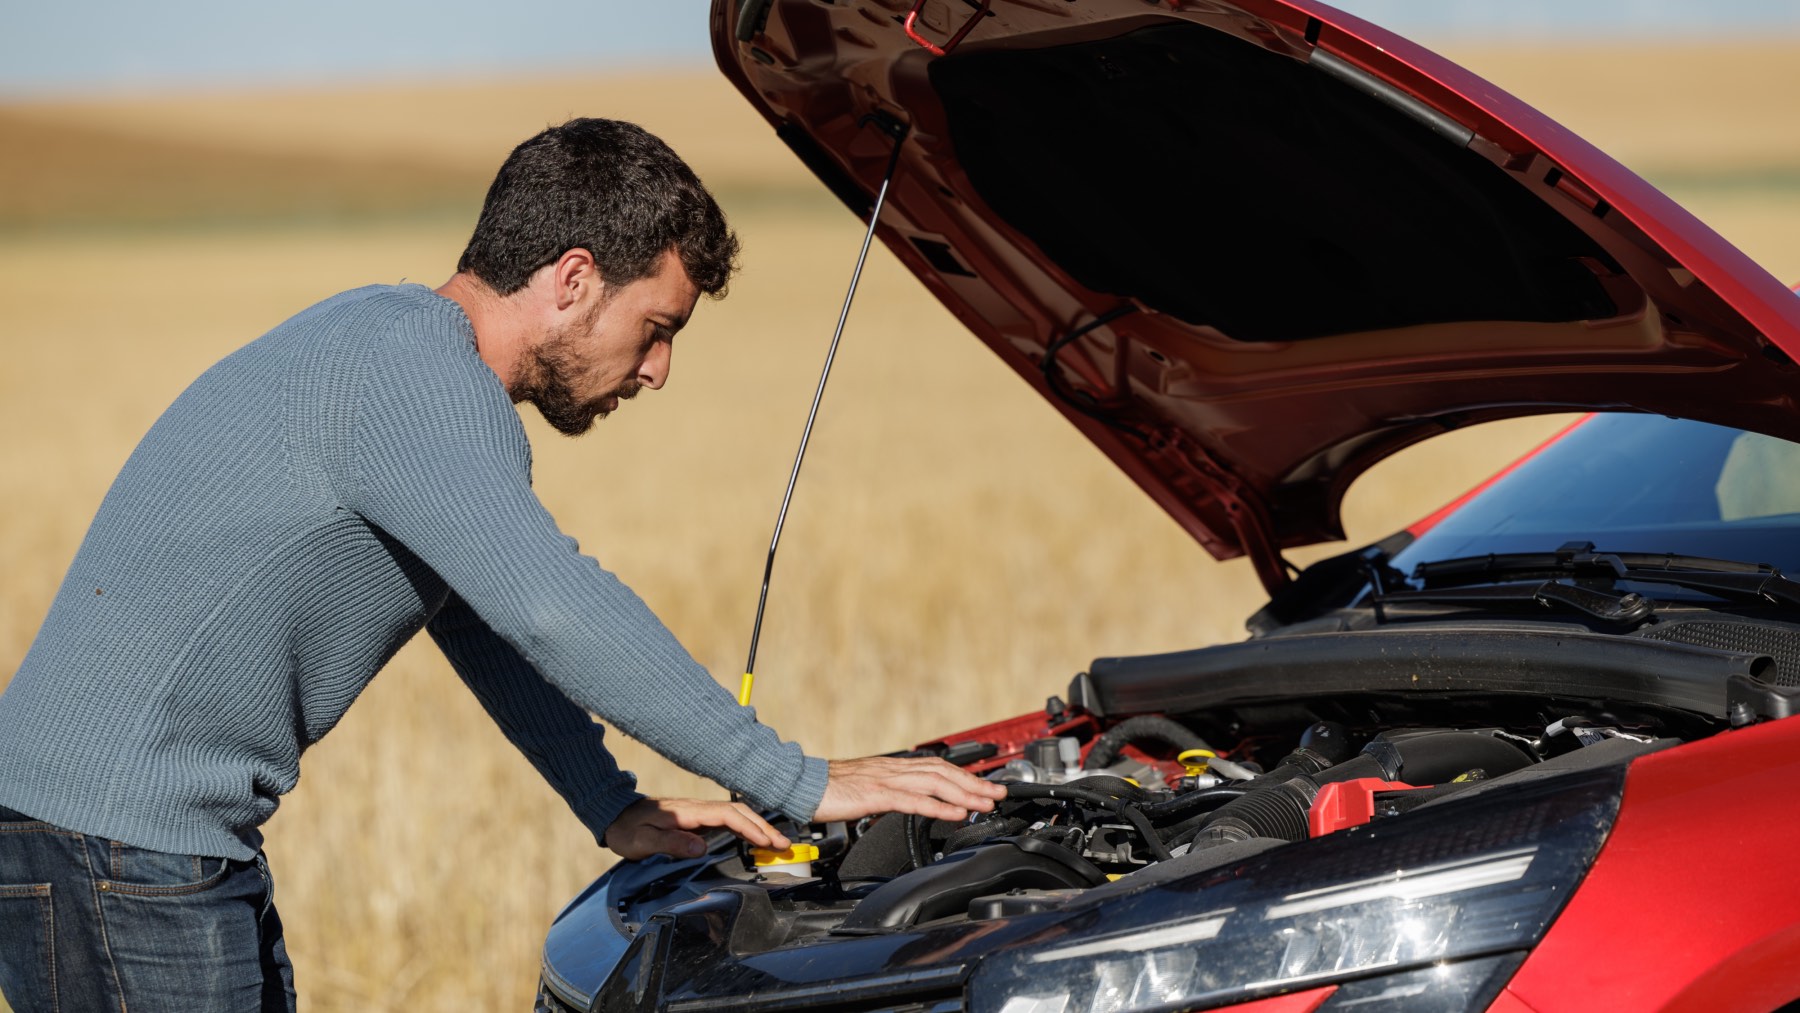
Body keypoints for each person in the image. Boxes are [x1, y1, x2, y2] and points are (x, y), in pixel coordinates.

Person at [0, 117, 1003, 1012]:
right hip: (115, 848)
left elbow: (480, 618)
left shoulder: (399, 350)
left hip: (131, 841)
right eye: (657, 328)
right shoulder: (416, 376)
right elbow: (550, 607)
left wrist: (608, 801)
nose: (658, 369)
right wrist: (799, 780)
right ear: (572, 281)